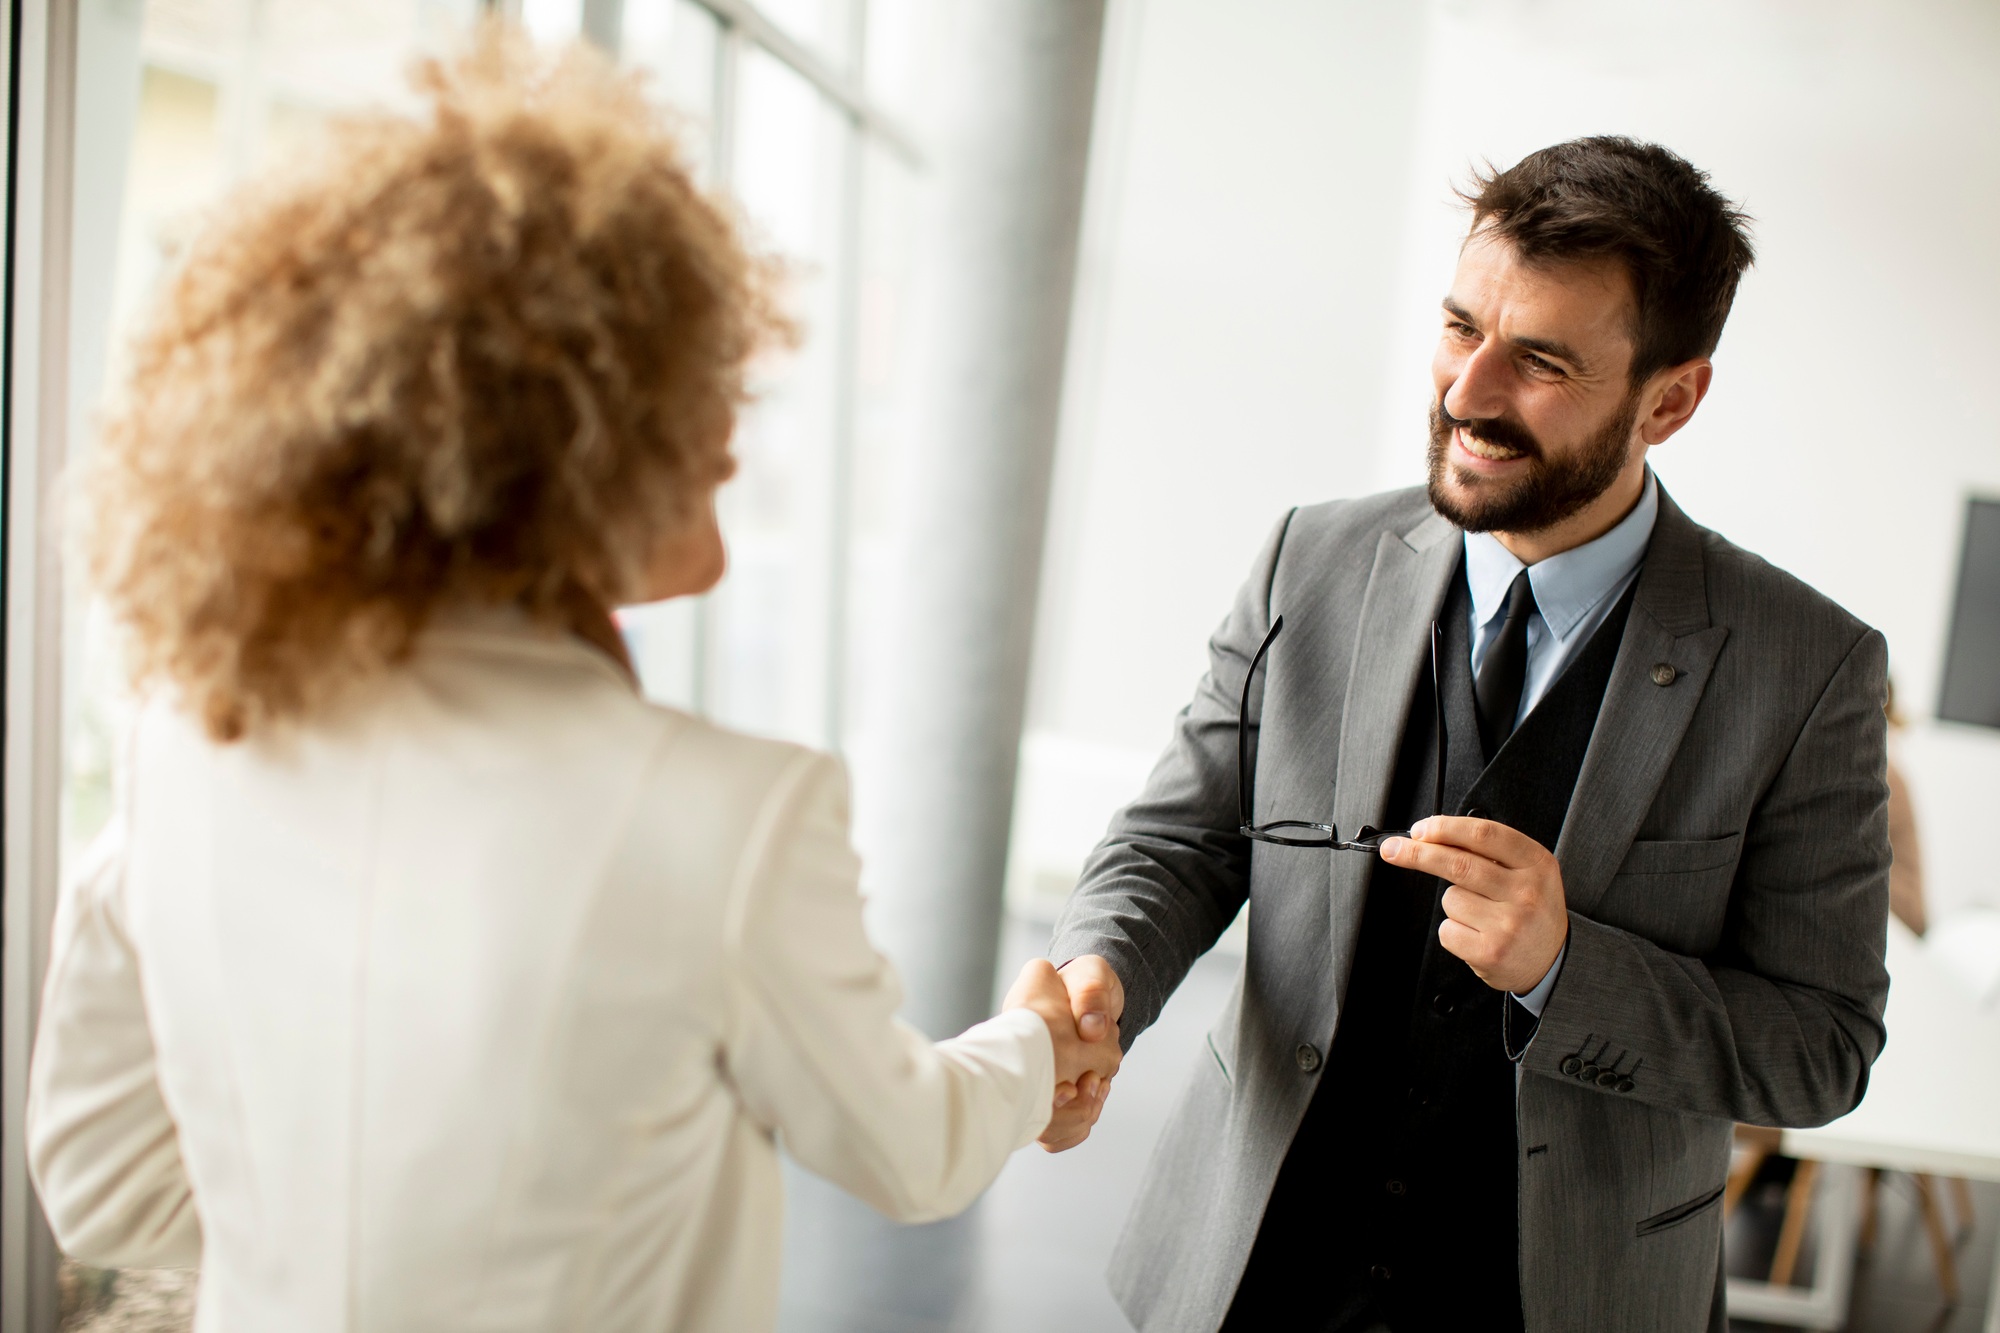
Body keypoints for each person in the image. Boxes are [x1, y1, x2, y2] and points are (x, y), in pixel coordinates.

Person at [25, 28, 1118, 1333]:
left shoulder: (190, 732)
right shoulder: (729, 817)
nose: (734, 414)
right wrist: (1037, 1049)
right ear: (558, 435)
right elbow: (913, 1148)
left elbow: (98, 1179)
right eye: (693, 372)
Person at [1040, 137, 1891, 1332]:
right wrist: (1102, 971)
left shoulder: (1809, 669)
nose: (1465, 392)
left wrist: (1564, 967)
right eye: (1456, 328)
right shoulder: (1309, 558)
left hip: (1562, 1297)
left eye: (1537, 360)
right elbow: (1180, 841)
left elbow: (1822, 1046)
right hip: (1248, 1271)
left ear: (1671, 398)